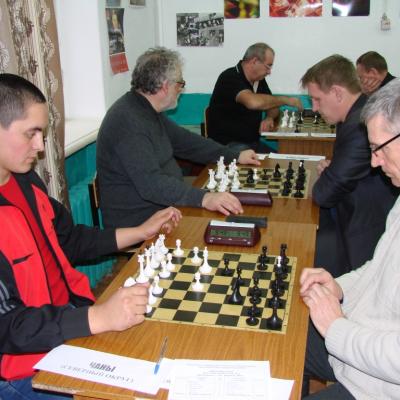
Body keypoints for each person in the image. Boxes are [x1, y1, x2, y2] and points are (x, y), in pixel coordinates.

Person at [0, 73, 181, 398]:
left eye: (42, 133)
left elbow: (70, 240)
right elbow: (7, 326)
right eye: (31, 133)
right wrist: (95, 318)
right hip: (23, 369)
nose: (40, 147)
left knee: (165, 356)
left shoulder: (26, 182)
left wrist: (141, 231)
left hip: (68, 327)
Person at [300, 78, 400, 400]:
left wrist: (336, 328)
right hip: (357, 344)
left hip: (378, 386)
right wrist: (340, 286)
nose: (373, 162)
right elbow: (378, 268)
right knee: (280, 333)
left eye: (379, 148)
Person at [97, 47, 260, 229]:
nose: (180, 90)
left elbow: (187, 142)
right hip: (141, 222)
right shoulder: (127, 121)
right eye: (180, 84)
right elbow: (152, 185)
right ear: (165, 86)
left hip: (165, 207)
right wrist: (205, 198)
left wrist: (234, 156)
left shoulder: (147, 110)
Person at [300, 54, 398, 276]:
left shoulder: (360, 125)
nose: (314, 108)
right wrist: (335, 169)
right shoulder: (355, 115)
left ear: (337, 92)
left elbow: (323, 194)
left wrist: (332, 173)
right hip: (354, 218)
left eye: (317, 99)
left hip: (365, 230)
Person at [207, 42, 303, 152]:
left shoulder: (259, 80)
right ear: (255, 61)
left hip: (251, 143)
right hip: (227, 145)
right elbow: (253, 102)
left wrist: (269, 118)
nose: (269, 72)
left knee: (281, 159)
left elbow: (273, 106)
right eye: (268, 66)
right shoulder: (229, 77)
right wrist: (286, 100)